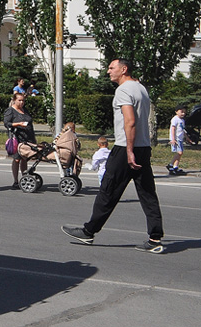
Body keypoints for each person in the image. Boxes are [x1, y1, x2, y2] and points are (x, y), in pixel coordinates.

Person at [62, 58, 165, 253]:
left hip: (126, 147)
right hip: (143, 147)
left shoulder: (123, 90)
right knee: (147, 193)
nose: (108, 71)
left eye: (112, 68)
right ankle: (155, 238)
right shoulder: (140, 88)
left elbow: (130, 122)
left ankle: (88, 231)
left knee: (108, 190)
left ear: (124, 69)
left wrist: (128, 151)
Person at [3, 91, 36, 189]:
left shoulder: (25, 110)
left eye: (23, 100)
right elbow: (6, 123)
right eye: (19, 100)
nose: (21, 102)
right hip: (17, 137)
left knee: (25, 158)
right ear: (14, 100)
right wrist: (18, 124)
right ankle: (15, 181)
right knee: (17, 159)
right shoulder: (10, 111)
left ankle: (24, 178)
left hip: (28, 137)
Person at [168, 105, 187, 175]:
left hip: (180, 139)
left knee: (179, 154)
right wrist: (173, 139)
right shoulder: (175, 119)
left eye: (184, 112)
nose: (183, 113)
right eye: (181, 112)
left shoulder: (182, 120)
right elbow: (173, 129)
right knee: (179, 153)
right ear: (176, 112)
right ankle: (170, 165)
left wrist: (187, 138)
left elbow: (183, 130)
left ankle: (175, 167)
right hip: (176, 139)